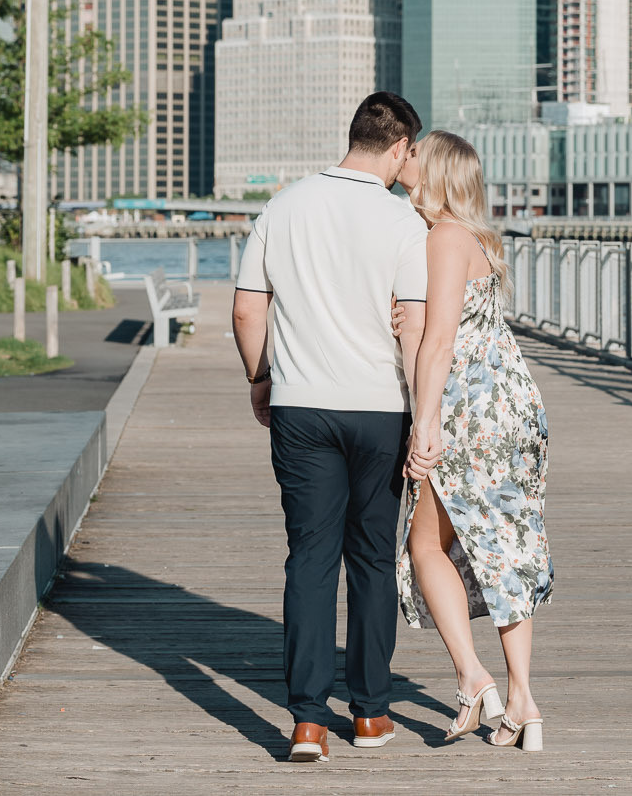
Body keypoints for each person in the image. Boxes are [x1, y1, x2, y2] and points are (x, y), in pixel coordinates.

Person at [231, 91, 429, 764]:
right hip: (382, 407)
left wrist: (261, 376)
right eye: (411, 153)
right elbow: (414, 326)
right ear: (399, 146)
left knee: (310, 557)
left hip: (302, 404)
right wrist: (424, 414)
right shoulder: (402, 221)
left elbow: (247, 310)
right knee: (372, 558)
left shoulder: (284, 205)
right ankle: (370, 713)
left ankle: (308, 724)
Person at [396, 130, 553, 752]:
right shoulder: (479, 238)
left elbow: (440, 342)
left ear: (433, 170)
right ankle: (521, 701)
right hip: (512, 406)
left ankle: (471, 675)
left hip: (467, 411)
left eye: (416, 154)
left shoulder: (442, 237)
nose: (406, 158)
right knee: (505, 549)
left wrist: (425, 423)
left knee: (424, 544)